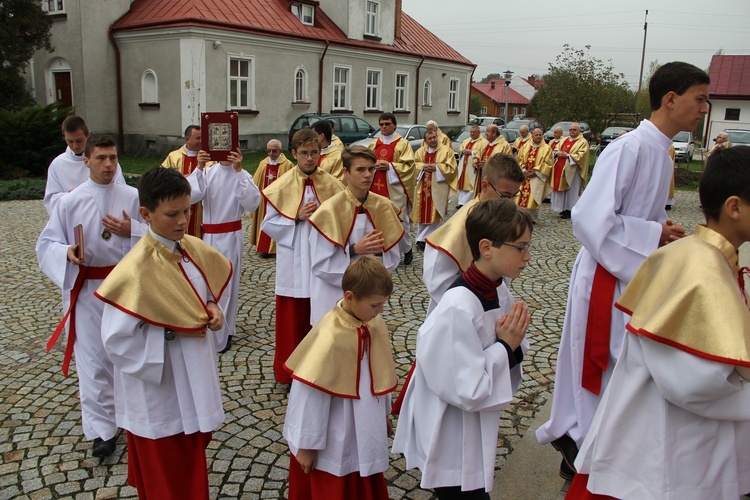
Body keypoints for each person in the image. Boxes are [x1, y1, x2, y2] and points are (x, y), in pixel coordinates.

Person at [535, 61, 709, 481]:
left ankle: (594, 444)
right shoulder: (627, 148)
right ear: (671, 99)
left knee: (619, 363)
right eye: (699, 98)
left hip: (629, 270)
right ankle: (579, 443)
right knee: (599, 361)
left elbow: (636, 215)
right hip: (605, 272)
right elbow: (590, 219)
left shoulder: (661, 152)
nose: (704, 108)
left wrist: (660, 232)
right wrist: (652, 234)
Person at [568, 146, 750, 499]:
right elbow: (693, 382)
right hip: (666, 450)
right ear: (734, 207)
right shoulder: (700, 270)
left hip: (685, 440)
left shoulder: (702, 256)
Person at [96, 167, 232, 499]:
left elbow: (205, 292)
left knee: (190, 461)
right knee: (167, 473)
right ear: (146, 213)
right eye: (173, 214)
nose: (184, 220)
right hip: (159, 390)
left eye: (187, 210)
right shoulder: (134, 271)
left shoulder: (191, 249)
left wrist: (213, 308)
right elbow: (116, 341)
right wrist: (171, 335)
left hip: (193, 376)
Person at [392, 199, 532, 498]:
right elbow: (466, 387)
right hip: (451, 427)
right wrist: (506, 347)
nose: (528, 256)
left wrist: (512, 344)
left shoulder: (498, 289)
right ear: (486, 247)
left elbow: (514, 343)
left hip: (471, 422)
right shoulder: (459, 306)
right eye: (521, 247)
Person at [390, 154, 525, 416]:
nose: (511, 203)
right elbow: (437, 280)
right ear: (485, 186)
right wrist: (475, 306)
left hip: (484, 315)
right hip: (457, 317)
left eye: (515, 196)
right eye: (506, 195)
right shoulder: (463, 222)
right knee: (450, 384)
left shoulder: (496, 220)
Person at [36, 134, 145, 458]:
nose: (109, 164)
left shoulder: (132, 195)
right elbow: (46, 244)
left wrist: (133, 231)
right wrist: (67, 252)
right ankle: (102, 430)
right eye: (101, 158)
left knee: (126, 357)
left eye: (113, 158)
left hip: (125, 287)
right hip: (86, 291)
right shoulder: (69, 202)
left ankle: (132, 417)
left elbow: (157, 237)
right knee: (93, 361)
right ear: (87, 161)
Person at [283, 256, 397, 500]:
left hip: (365, 419)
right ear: (349, 297)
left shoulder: (373, 323)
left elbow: (380, 374)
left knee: (362, 469)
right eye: (375, 305)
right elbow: (309, 394)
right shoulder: (330, 336)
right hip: (336, 427)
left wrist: (383, 415)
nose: (381, 311)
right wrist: (307, 445)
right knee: (337, 474)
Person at [261, 128, 344, 384]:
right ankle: (288, 373)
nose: (310, 158)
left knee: (321, 316)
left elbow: (343, 218)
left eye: (315, 153)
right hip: (294, 260)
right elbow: (268, 224)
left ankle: (320, 371)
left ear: (321, 153)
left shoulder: (332, 185)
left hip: (322, 260)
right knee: (292, 320)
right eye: (305, 153)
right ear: (294, 153)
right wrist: (294, 217)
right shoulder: (281, 185)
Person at [307, 146, 403, 325]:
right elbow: (319, 264)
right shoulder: (329, 211)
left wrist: (380, 255)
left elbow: (393, 257)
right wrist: (354, 250)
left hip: (369, 297)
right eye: (360, 169)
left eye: (371, 169)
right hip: (333, 295)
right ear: (346, 172)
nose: (367, 174)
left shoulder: (383, 206)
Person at [188, 147, 261, 353]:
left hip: (230, 236)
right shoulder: (208, 172)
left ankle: (225, 331)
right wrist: (199, 167)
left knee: (228, 284)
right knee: (207, 283)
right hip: (209, 236)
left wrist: (238, 170)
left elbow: (253, 203)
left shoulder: (242, 174)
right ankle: (209, 322)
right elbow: (192, 195)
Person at [44, 115, 126, 215]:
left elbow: (120, 192)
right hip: (72, 216)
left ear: (88, 135)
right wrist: (72, 196)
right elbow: (51, 200)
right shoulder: (57, 164)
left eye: (79, 140)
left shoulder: (107, 161)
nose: (75, 146)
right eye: (70, 141)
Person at [368, 112, 416, 265]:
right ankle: (380, 250)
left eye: (387, 124)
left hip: (394, 188)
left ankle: (407, 249)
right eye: (381, 124)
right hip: (375, 187)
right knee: (376, 220)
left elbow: (409, 166)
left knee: (399, 221)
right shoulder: (374, 143)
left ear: (394, 125)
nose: (384, 127)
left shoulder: (403, 143)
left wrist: (389, 166)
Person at [161, 125, 214, 237]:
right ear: (187, 139)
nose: (201, 141)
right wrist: (181, 179)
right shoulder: (174, 157)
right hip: (178, 207)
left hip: (202, 209)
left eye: (203, 138)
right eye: (198, 138)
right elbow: (162, 180)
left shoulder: (210, 158)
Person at [411, 129, 458, 249]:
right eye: (429, 138)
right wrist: (423, 166)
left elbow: (452, 168)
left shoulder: (446, 151)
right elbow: (413, 165)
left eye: (434, 137)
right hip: (423, 187)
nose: (432, 140)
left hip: (438, 188)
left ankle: (434, 238)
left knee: (437, 213)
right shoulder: (420, 151)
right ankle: (421, 239)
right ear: (425, 141)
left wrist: (437, 168)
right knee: (422, 213)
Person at [250, 139, 294, 258]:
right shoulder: (263, 163)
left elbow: (291, 185)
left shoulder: (287, 165)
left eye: (274, 151)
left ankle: (275, 248)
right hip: (264, 201)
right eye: (269, 151)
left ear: (280, 151)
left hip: (279, 202)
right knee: (263, 221)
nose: (271, 153)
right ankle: (263, 247)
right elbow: (255, 183)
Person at [549, 123, 590, 219]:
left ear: (579, 131)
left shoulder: (582, 142)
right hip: (560, 167)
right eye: (571, 129)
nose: (572, 131)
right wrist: (557, 153)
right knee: (561, 189)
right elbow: (555, 149)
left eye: (574, 130)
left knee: (571, 190)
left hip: (573, 170)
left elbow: (582, 155)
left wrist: (567, 155)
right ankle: (562, 208)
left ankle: (570, 209)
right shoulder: (564, 140)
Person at [516, 128, 553, 221]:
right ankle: (520, 215)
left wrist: (535, 172)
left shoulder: (547, 148)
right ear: (532, 135)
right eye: (536, 135)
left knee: (534, 196)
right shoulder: (525, 146)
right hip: (525, 175)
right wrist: (524, 170)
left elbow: (548, 163)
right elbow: (519, 159)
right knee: (521, 196)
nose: (538, 136)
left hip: (537, 176)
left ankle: (532, 218)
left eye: (540, 135)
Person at [473, 124, 512, 198]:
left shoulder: (504, 146)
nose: (486, 133)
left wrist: (488, 165)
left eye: (488, 131)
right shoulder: (486, 144)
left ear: (494, 133)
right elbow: (478, 155)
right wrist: (477, 163)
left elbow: (507, 164)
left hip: (495, 179)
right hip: (482, 177)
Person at [456, 124, 488, 207]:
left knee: (470, 185)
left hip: (472, 167)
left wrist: (472, 153)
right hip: (463, 166)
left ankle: (466, 203)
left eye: (474, 132)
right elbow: (460, 149)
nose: (472, 133)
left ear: (479, 132)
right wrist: (462, 151)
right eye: (471, 132)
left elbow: (483, 153)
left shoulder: (484, 142)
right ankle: (460, 202)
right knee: (461, 185)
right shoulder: (466, 141)